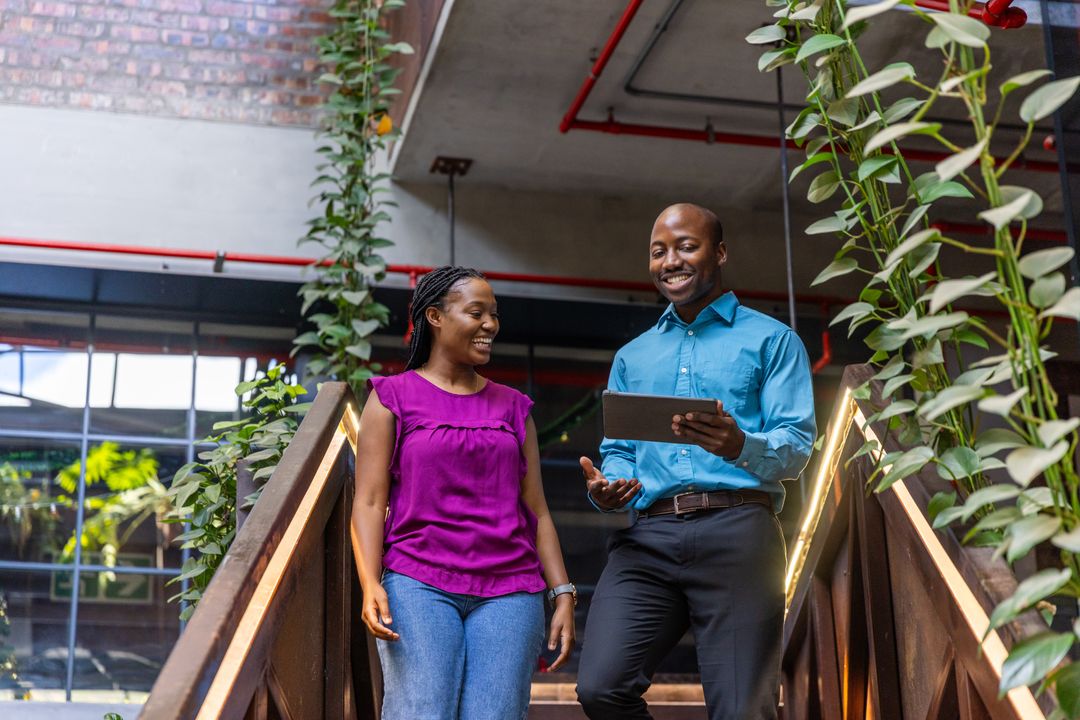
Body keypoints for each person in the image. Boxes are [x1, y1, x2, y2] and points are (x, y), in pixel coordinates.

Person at [575, 204, 816, 720]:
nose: (670, 261)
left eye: (686, 246)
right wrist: (610, 485)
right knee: (600, 688)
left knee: (742, 712)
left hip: (739, 531)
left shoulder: (772, 341)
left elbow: (796, 446)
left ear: (720, 252)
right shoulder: (632, 357)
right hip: (649, 538)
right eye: (658, 251)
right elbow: (620, 452)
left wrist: (739, 446)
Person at [352, 266, 576, 720]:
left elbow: (538, 511)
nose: (490, 325)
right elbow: (370, 502)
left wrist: (563, 592)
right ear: (434, 317)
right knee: (422, 711)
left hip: (511, 589)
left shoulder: (514, 407)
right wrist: (370, 581)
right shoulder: (392, 396)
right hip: (417, 580)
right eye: (477, 313)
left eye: (494, 315)